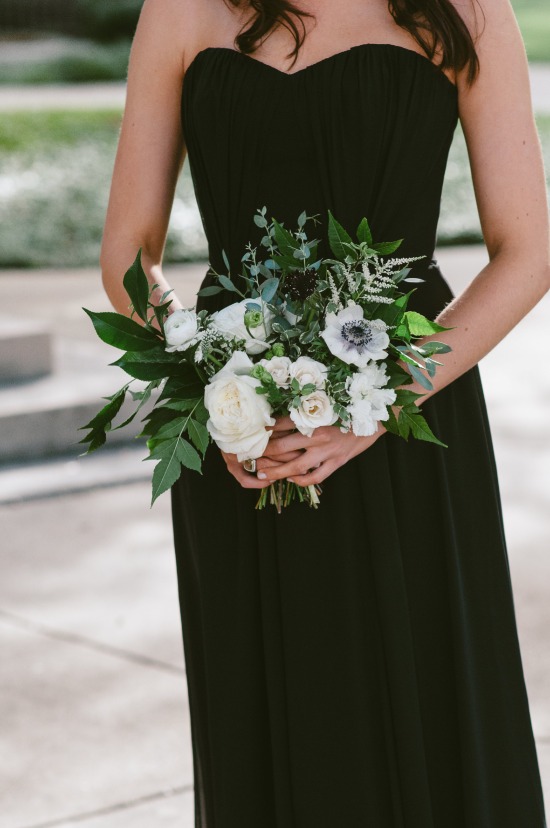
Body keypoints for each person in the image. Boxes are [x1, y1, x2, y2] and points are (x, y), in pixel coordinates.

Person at [100, 0, 549, 824]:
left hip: (410, 423)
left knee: (424, 716)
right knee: (262, 728)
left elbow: (528, 250)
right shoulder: (181, 11)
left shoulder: (468, 12)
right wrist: (219, 385)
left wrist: (377, 402)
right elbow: (131, 255)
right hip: (240, 442)